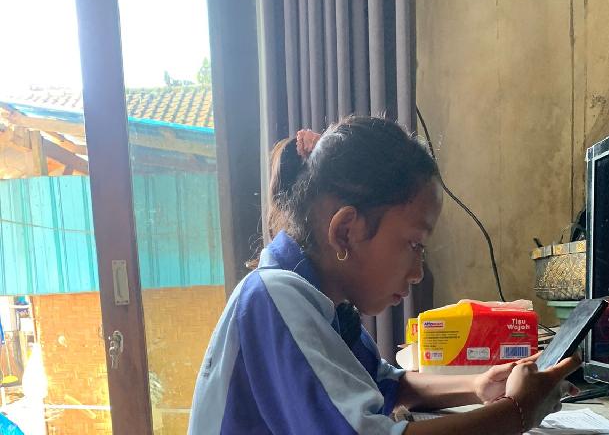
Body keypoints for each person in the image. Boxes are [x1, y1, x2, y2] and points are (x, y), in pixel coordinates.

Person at [188, 116, 579, 435]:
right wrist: (518, 411)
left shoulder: (323, 304)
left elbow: (385, 382)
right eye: (414, 244)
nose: (418, 273)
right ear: (346, 231)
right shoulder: (274, 296)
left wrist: (477, 386)